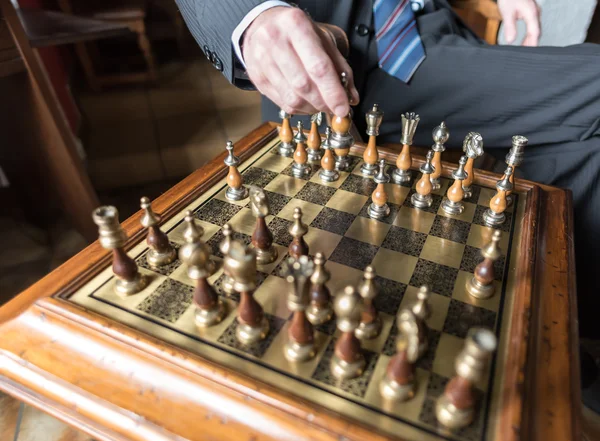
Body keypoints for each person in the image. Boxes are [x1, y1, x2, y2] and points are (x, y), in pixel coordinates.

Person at [175, 1, 599, 343]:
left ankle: (561, 336)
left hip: (437, 30)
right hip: (341, 57)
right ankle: (561, 345)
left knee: (580, 154)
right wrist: (252, 18)